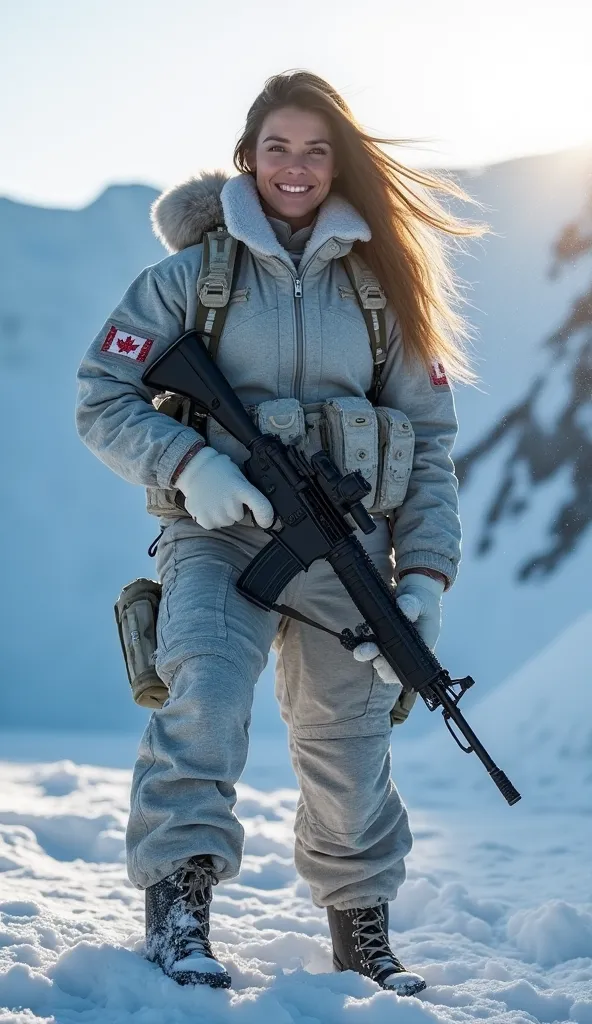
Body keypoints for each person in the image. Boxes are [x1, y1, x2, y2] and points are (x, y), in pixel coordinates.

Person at [76, 70, 486, 995]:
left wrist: (421, 578)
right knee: (207, 698)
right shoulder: (190, 277)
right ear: (246, 159)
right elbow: (102, 394)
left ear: (338, 161)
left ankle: (360, 932)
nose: (295, 167)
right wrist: (191, 465)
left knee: (349, 744)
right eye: (276, 147)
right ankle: (180, 911)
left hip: (346, 544)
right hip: (217, 536)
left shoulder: (385, 290)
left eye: (314, 148)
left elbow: (427, 444)